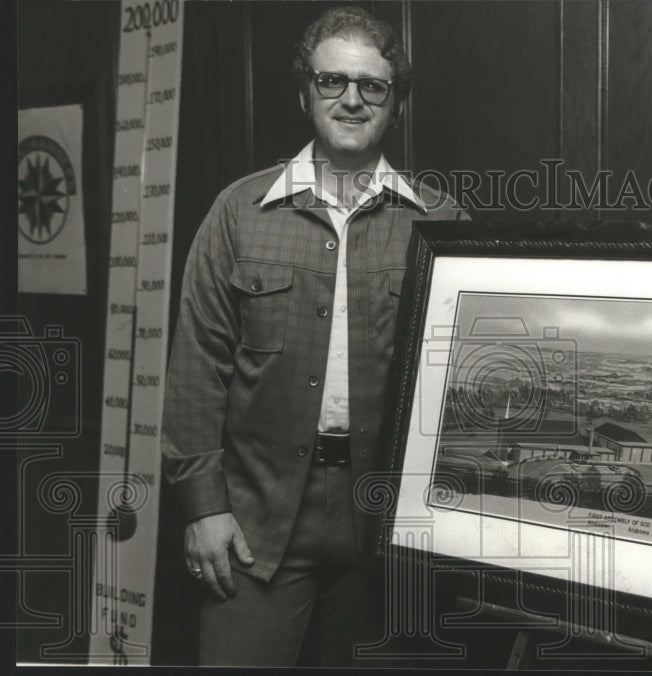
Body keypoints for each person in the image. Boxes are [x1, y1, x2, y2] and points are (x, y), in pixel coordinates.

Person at [161, 6, 466, 666]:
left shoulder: (440, 225)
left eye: (373, 85)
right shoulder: (238, 214)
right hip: (255, 521)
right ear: (305, 93)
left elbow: (463, 390)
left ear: (397, 103)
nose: (351, 99)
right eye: (332, 81)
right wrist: (201, 509)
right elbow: (195, 371)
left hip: (385, 527)